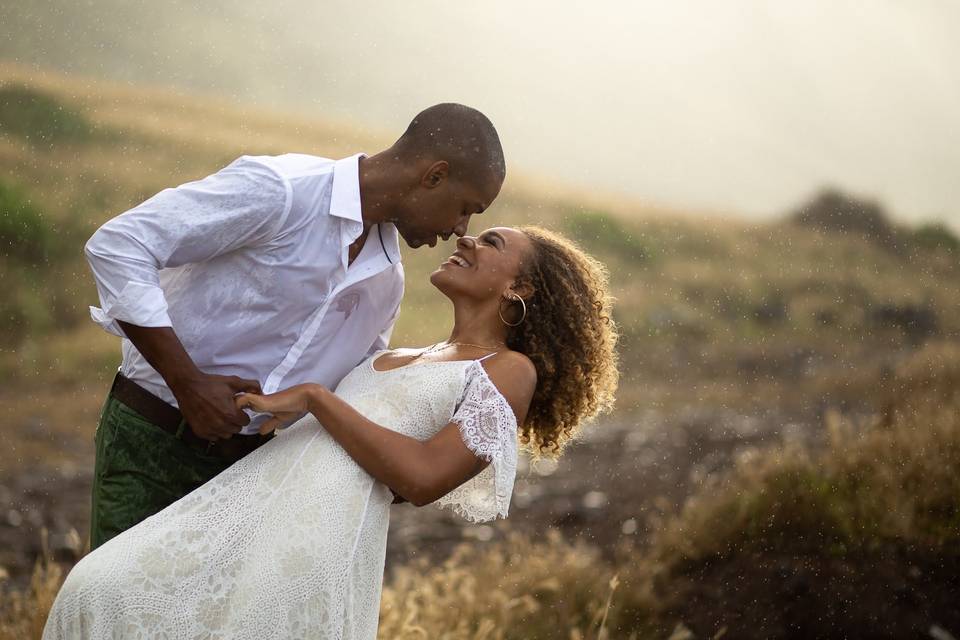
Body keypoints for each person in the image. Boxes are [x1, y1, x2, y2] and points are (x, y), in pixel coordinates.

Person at [44, 226, 619, 639]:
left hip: (314, 541)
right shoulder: (400, 351)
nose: (466, 239)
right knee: (101, 590)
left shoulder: (509, 371)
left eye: (491, 243)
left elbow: (420, 478)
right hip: (252, 507)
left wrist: (318, 399)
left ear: (522, 290)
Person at [82, 103, 506, 549]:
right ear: (434, 175)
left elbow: (353, 393)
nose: (461, 229)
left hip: (251, 477)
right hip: (151, 441)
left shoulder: (386, 280)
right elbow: (120, 245)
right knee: (119, 612)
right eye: (465, 208)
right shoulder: (283, 191)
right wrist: (186, 382)